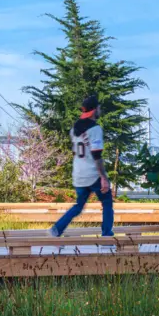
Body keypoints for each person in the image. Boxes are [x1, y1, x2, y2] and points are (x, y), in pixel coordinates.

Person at [49, 95, 115, 238]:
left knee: (79, 206)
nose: (100, 110)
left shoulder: (74, 129)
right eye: (99, 108)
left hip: (78, 174)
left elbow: (76, 151)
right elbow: (97, 156)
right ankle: (107, 235)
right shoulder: (95, 129)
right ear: (94, 110)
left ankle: (57, 229)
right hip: (93, 174)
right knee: (107, 202)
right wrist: (103, 178)